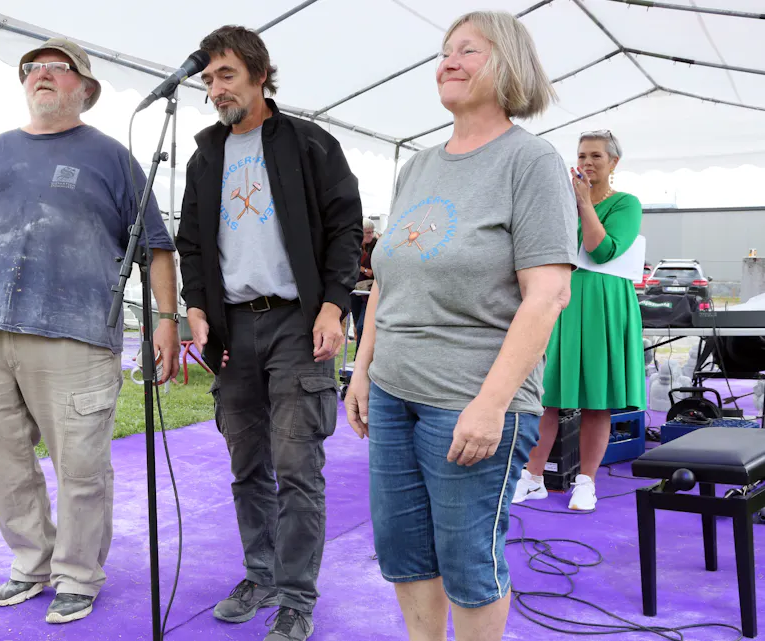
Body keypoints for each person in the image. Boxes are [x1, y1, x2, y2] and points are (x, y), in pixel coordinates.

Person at [0, 38, 180, 625]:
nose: (43, 76)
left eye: (60, 69)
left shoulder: (112, 157)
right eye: (34, 68)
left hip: (76, 336)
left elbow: (156, 248)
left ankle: (78, 574)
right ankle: (31, 563)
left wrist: (167, 320)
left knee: (80, 466)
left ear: (85, 89)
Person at [344, 11, 577, 641]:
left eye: (467, 51)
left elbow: (548, 294)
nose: (448, 61)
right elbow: (391, 279)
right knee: (405, 552)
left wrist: (491, 405)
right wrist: (362, 371)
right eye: (445, 51)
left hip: (471, 400)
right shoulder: (418, 167)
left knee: (469, 561)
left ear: (509, 66)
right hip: (394, 392)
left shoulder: (530, 163)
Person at [175, 25, 362, 641]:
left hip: (296, 323)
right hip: (233, 329)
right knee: (246, 463)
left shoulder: (309, 144)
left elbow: (344, 229)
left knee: (297, 464)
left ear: (259, 73)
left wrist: (334, 306)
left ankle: (295, 596)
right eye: (207, 79)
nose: (214, 88)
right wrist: (195, 308)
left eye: (225, 74)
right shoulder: (206, 154)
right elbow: (193, 244)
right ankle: (259, 573)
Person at [513, 130, 645, 511]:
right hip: (560, 300)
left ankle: (586, 482)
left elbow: (601, 250)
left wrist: (585, 203)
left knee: (596, 400)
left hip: (603, 303)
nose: (587, 162)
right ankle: (533, 477)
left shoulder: (626, 204)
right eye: (582, 155)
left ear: (613, 163)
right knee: (547, 395)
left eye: (596, 156)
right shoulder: (560, 201)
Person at [350, 218, 377, 351]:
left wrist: (361, 268)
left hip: (369, 291)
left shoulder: (376, 246)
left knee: (362, 325)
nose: (370, 235)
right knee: (356, 326)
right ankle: (358, 354)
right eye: (367, 232)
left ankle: (359, 356)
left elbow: (372, 272)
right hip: (355, 291)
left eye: (372, 232)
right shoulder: (354, 246)